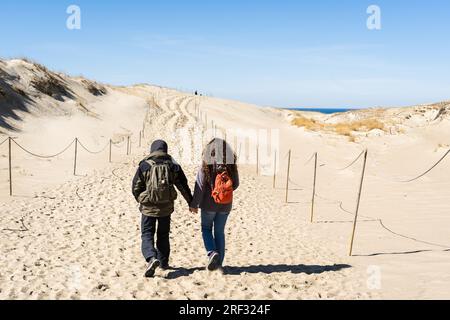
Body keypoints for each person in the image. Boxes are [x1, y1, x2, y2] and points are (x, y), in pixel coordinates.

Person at [132, 140, 193, 277]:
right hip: (166, 207)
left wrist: (142, 199)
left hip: (148, 207)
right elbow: (183, 185)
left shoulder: (145, 165)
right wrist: (190, 202)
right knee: (163, 235)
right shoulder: (173, 165)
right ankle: (163, 263)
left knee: (147, 234)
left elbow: (135, 187)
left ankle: (151, 258)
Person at [189, 138, 239, 271]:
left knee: (206, 228)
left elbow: (199, 187)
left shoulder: (206, 165)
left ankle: (212, 252)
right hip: (226, 205)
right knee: (219, 232)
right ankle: (219, 265)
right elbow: (236, 184)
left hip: (208, 205)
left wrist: (194, 204)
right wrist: (224, 192)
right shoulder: (231, 165)